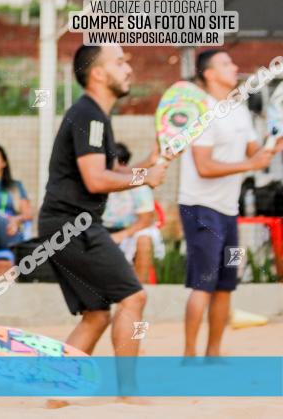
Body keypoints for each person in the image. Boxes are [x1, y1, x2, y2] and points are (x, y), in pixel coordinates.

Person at [37, 44, 167, 394]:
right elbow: (97, 180)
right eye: (120, 62)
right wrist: (145, 177)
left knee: (97, 314)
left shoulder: (93, 117)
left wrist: (146, 166)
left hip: (63, 225)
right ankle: (128, 393)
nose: (129, 68)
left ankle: (56, 391)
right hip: (71, 225)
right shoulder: (89, 115)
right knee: (134, 297)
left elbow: (108, 172)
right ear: (97, 73)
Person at [178, 50, 281, 357]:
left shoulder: (238, 110)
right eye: (226, 63)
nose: (234, 67)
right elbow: (205, 167)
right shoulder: (202, 111)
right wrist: (251, 164)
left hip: (228, 210)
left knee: (226, 284)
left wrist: (276, 142)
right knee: (203, 284)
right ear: (208, 74)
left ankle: (213, 354)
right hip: (199, 208)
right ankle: (188, 356)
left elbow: (257, 152)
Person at [102, 142, 165, 283]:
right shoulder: (97, 178)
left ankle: (139, 288)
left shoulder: (138, 179)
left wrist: (121, 235)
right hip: (102, 229)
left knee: (144, 240)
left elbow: (146, 219)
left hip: (130, 231)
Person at [0, 142, 32, 281]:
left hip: (9, 232)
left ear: (3, 162)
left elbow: (28, 214)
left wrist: (17, 219)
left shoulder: (15, 186)